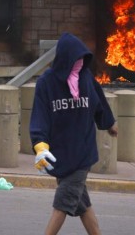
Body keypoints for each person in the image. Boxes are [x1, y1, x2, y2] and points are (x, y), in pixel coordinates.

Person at [30, 32, 118, 235]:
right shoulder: (47, 83)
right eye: (75, 60)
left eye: (82, 59)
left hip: (82, 153)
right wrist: (40, 145)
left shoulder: (85, 78)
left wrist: (109, 123)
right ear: (64, 59)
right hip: (60, 153)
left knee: (63, 202)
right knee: (81, 204)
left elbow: (99, 104)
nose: (79, 64)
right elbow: (40, 116)